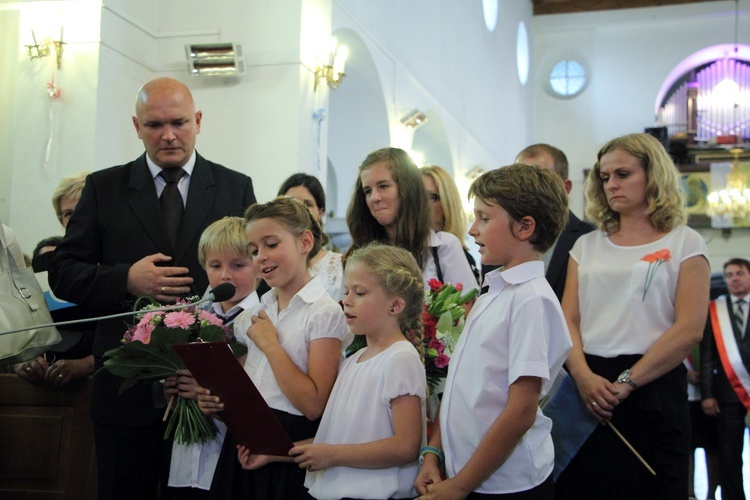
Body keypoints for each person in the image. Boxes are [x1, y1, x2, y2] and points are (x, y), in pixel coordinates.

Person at [48, 77, 257, 500]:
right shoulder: (104, 187)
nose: (168, 135)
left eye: (178, 122)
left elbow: (257, 276)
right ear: (136, 126)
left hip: (206, 389)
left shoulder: (235, 186)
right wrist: (125, 277)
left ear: (197, 121)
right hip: (125, 389)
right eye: (154, 125)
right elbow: (63, 272)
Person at [554, 133, 710, 499]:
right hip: (587, 386)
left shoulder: (684, 242)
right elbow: (568, 319)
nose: (612, 184)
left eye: (623, 174)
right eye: (605, 177)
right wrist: (582, 375)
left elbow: (689, 328)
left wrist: (628, 381)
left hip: (652, 384)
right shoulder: (586, 245)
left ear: (652, 176)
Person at [414, 163, 572, 499]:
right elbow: (459, 383)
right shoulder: (497, 290)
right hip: (470, 474)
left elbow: (520, 411)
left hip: (506, 484)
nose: (473, 230)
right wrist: (434, 452)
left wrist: (460, 485)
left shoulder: (531, 299)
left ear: (525, 227)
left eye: (485, 218)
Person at [236, 243, 427, 499]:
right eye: (347, 291)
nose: (346, 300)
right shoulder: (353, 360)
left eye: (359, 293)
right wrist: (273, 453)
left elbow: (406, 447)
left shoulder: (400, 357)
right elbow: (335, 439)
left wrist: (332, 455)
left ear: (394, 306)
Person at [197, 197, 352, 499]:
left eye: (271, 244)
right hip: (244, 443)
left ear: (305, 241)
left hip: (289, 448)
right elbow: (252, 388)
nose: (261, 257)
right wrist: (218, 404)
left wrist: (271, 345)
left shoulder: (323, 312)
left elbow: (313, 405)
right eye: (254, 250)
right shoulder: (258, 310)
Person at [163, 216, 260, 500]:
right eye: (215, 266)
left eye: (238, 265)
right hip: (185, 452)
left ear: (258, 266)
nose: (225, 276)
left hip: (233, 454)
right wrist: (174, 388)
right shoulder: (188, 318)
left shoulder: (262, 321)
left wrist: (210, 391)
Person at [346, 147, 478, 291]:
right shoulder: (358, 254)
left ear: (407, 189)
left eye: (383, 186)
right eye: (368, 191)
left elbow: (466, 309)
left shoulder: (444, 246)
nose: (374, 198)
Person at [483, 144, 594, 301]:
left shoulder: (589, 238)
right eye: (516, 184)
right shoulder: (497, 242)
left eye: (536, 183)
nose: (522, 193)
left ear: (565, 188)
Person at [17, 171, 94, 387]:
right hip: (45, 383)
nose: (74, 221)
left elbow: (130, 334)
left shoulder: (118, 264)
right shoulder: (46, 265)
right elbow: (25, 328)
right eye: (68, 214)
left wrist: (86, 365)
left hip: (98, 383)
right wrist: (23, 361)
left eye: (82, 211)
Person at [700, 257, 750, 500]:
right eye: (729, 274)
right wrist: (707, 393)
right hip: (727, 393)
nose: (734, 278)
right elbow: (707, 356)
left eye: (739, 273)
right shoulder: (715, 311)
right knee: (729, 455)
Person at [278, 173, 343, 299]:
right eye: (291, 202)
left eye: (307, 204)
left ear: (320, 213)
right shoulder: (269, 261)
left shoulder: (338, 266)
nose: (299, 209)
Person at [420, 165, 480, 284]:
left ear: (447, 203)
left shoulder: (459, 255)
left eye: (430, 197)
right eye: (417, 196)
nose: (420, 203)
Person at [685, 348, 720, 500]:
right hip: (684, 398)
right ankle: (689, 493)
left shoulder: (709, 328)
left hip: (711, 395)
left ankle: (711, 494)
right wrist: (683, 374)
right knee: (686, 448)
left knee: (713, 448)